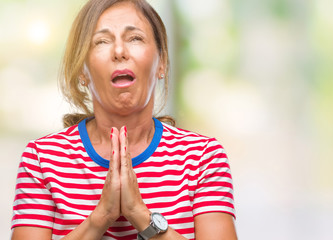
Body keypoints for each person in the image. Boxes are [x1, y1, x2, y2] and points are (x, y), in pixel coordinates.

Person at [11, 0, 237, 239]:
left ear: (162, 63)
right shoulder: (41, 159)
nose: (119, 51)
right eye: (102, 41)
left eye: (135, 38)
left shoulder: (203, 158)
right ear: (82, 71)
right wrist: (101, 217)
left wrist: (138, 214)